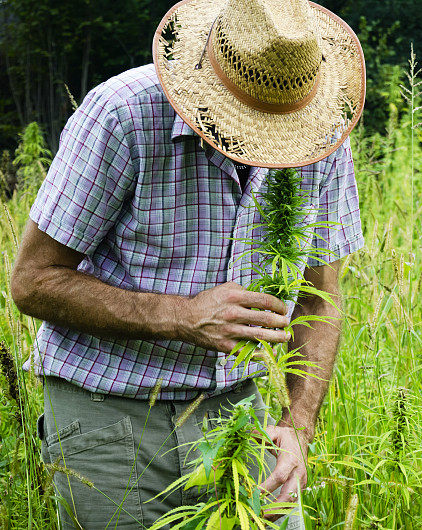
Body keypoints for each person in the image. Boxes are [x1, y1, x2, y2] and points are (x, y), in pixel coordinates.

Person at [9, 0, 366, 527]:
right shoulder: (122, 115)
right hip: (111, 413)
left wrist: (298, 426)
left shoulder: (318, 129)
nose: (266, 146)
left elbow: (320, 296)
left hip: (239, 410)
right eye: (249, 120)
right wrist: (180, 316)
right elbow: (32, 282)